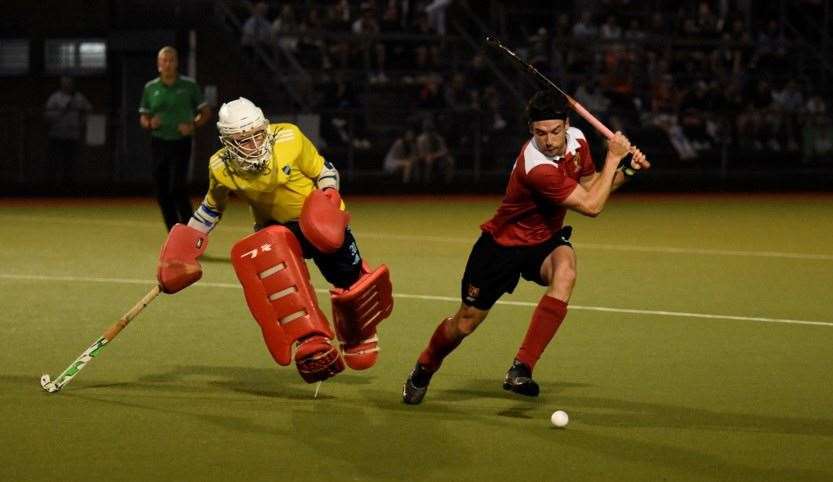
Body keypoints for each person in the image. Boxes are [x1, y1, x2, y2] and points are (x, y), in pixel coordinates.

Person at [402, 90, 649, 404]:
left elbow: (591, 186)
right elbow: (591, 206)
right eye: (540, 133)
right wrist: (614, 157)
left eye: (555, 131)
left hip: (543, 241)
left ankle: (521, 367)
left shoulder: (579, 141)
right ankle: (425, 366)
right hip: (501, 247)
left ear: (568, 125)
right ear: (532, 131)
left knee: (566, 272)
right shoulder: (537, 167)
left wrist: (626, 171)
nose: (548, 140)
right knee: (464, 324)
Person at [156, 97, 393, 384]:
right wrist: (185, 247)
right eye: (245, 140)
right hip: (274, 228)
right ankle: (309, 339)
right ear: (228, 142)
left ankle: (356, 330)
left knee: (349, 277)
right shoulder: (220, 167)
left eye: (258, 135)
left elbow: (324, 169)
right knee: (278, 275)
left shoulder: (290, 138)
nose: (255, 145)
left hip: (317, 219)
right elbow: (211, 207)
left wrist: (330, 196)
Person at [139, 46, 212, 231]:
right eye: (165, 60)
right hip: (158, 142)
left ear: (177, 63)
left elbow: (205, 112)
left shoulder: (189, 86)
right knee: (162, 190)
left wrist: (193, 125)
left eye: (172, 60)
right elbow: (143, 117)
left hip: (181, 142)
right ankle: (173, 231)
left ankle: (190, 231)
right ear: (158, 64)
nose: (168, 64)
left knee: (177, 187)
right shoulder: (150, 88)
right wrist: (149, 123)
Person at [44, 76, 92, 191]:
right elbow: (47, 114)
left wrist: (82, 122)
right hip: (56, 134)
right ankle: (51, 186)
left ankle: (69, 186)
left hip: (72, 135)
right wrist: (59, 113)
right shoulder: (55, 97)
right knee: (54, 161)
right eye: (65, 83)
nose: (67, 85)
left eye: (69, 83)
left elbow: (89, 109)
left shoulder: (79, 97)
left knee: (70, 162)